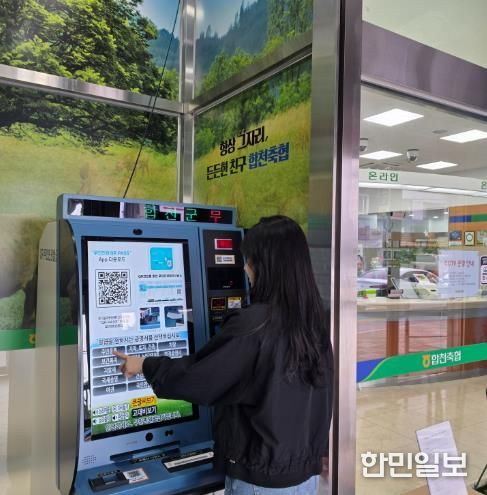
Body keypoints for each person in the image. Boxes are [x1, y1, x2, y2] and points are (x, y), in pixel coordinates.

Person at [114, 215, 334, 495]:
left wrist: (145, 365)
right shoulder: (313, 321)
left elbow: (198, 379)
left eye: (249, 259)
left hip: (260, 482)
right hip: (303, 476)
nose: (245, 268)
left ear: (265, 265)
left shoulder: (254, 325)